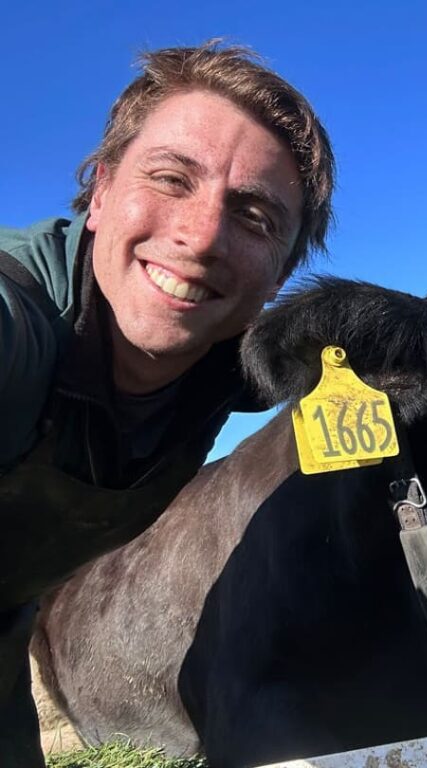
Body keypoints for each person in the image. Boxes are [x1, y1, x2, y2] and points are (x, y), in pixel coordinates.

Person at [0, 41, 334, 766]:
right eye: (170, 178)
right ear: (100, 192)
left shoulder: (233, 356)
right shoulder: (20, 320)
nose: (201, 234)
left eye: (253, 216)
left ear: (281, 274)